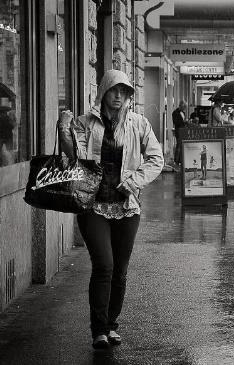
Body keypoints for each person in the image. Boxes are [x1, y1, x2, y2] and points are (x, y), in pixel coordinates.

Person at [58, 69, 164, 350]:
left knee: (120, 270)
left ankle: (111, 325)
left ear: (130, 96)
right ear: (104, 90)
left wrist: (133, 182)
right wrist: (64, 129)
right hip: (92, 205)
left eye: (125, 92)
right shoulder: (84, 122)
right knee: (103, 265)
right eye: (115, 90)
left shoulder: (138, 124)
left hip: (126, 207)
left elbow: (156, 159)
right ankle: (98, 330)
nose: (119, 96)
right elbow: (74, 157)